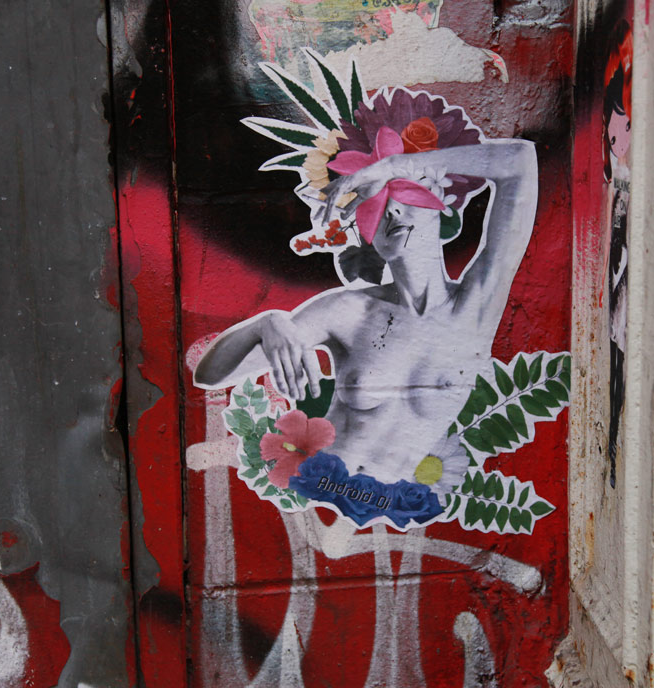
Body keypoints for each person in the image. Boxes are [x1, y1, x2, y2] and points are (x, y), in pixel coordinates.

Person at [195, 131, 537, 486]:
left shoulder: (475, 307)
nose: (392, 210)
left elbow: (519, 162)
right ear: (368, 233)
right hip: (324, 493)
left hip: (395, 506)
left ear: (439, 206)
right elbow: (210, 375)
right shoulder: (349, 311)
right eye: (376, 201)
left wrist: (393, 166)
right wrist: (267, 323)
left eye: (403, 191)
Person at [602, 19, 632, 488]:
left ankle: (613, 445)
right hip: (620, 235)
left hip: (625, 235)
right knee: (617, 342)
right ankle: (611, 447)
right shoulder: (617, 109)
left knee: (622, 341)